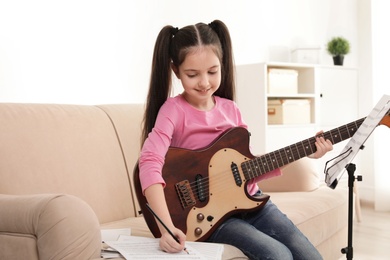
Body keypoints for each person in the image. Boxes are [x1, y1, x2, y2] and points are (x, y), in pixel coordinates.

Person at [138, 20, 333, 260]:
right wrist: (166, 228)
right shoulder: (173, 111)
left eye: (212, 71)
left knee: (309, 255)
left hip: (252, 203)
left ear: (223, 66)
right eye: (192, 74)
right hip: (212, 218)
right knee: (278, 255)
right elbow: (149, 163)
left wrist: (305, 152)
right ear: (176, 70)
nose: (204, 82)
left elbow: (246, 170)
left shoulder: (231, 110)